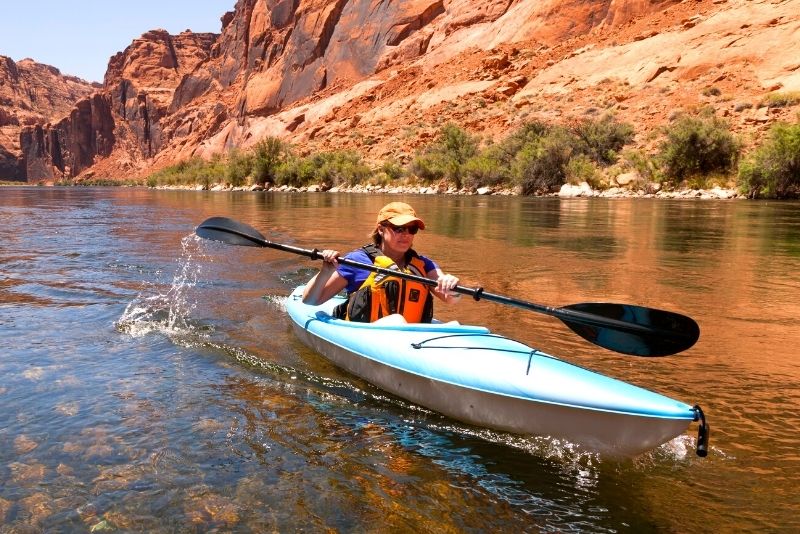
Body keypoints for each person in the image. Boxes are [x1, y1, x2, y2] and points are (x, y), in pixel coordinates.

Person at [302, 202, 460, 323]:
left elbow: (451, 299)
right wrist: (326, 271)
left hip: (411, 339)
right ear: (380, 229)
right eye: (399, 228)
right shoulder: (357, 261)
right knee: (396, 321)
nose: (406, 234)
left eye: (411, 229)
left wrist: (450, 284)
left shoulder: (424, 265)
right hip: (367, 335)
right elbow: (311, 301)